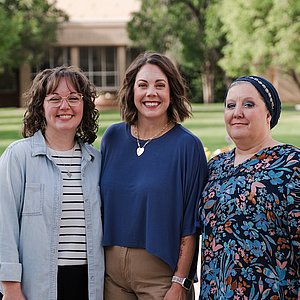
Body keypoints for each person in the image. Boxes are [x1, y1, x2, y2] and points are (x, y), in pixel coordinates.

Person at [100, 51, 208, 300]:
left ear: (172, 92)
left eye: (160, 85)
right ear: (132, 91)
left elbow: (191, 223)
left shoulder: (186, 146)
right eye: (143, 85)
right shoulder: (113, 138)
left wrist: (180, 282)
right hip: (110, 274)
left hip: (161, 276)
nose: (151, 93)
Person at [0, 66, 104, 300]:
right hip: (35, 285)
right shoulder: (19, 157)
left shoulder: (96, 161)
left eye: (73, 98)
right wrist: (10, 287)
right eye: (54, 98)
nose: (64, 106)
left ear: (84, 106)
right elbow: (3, 225)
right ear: (41, 107)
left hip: (88, 284)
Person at [198, 75, 300, 299]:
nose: (237, 112)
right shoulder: (216, 166)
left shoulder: (291, 164)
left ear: (268, 114)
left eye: (248, 104)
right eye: (230, 105)